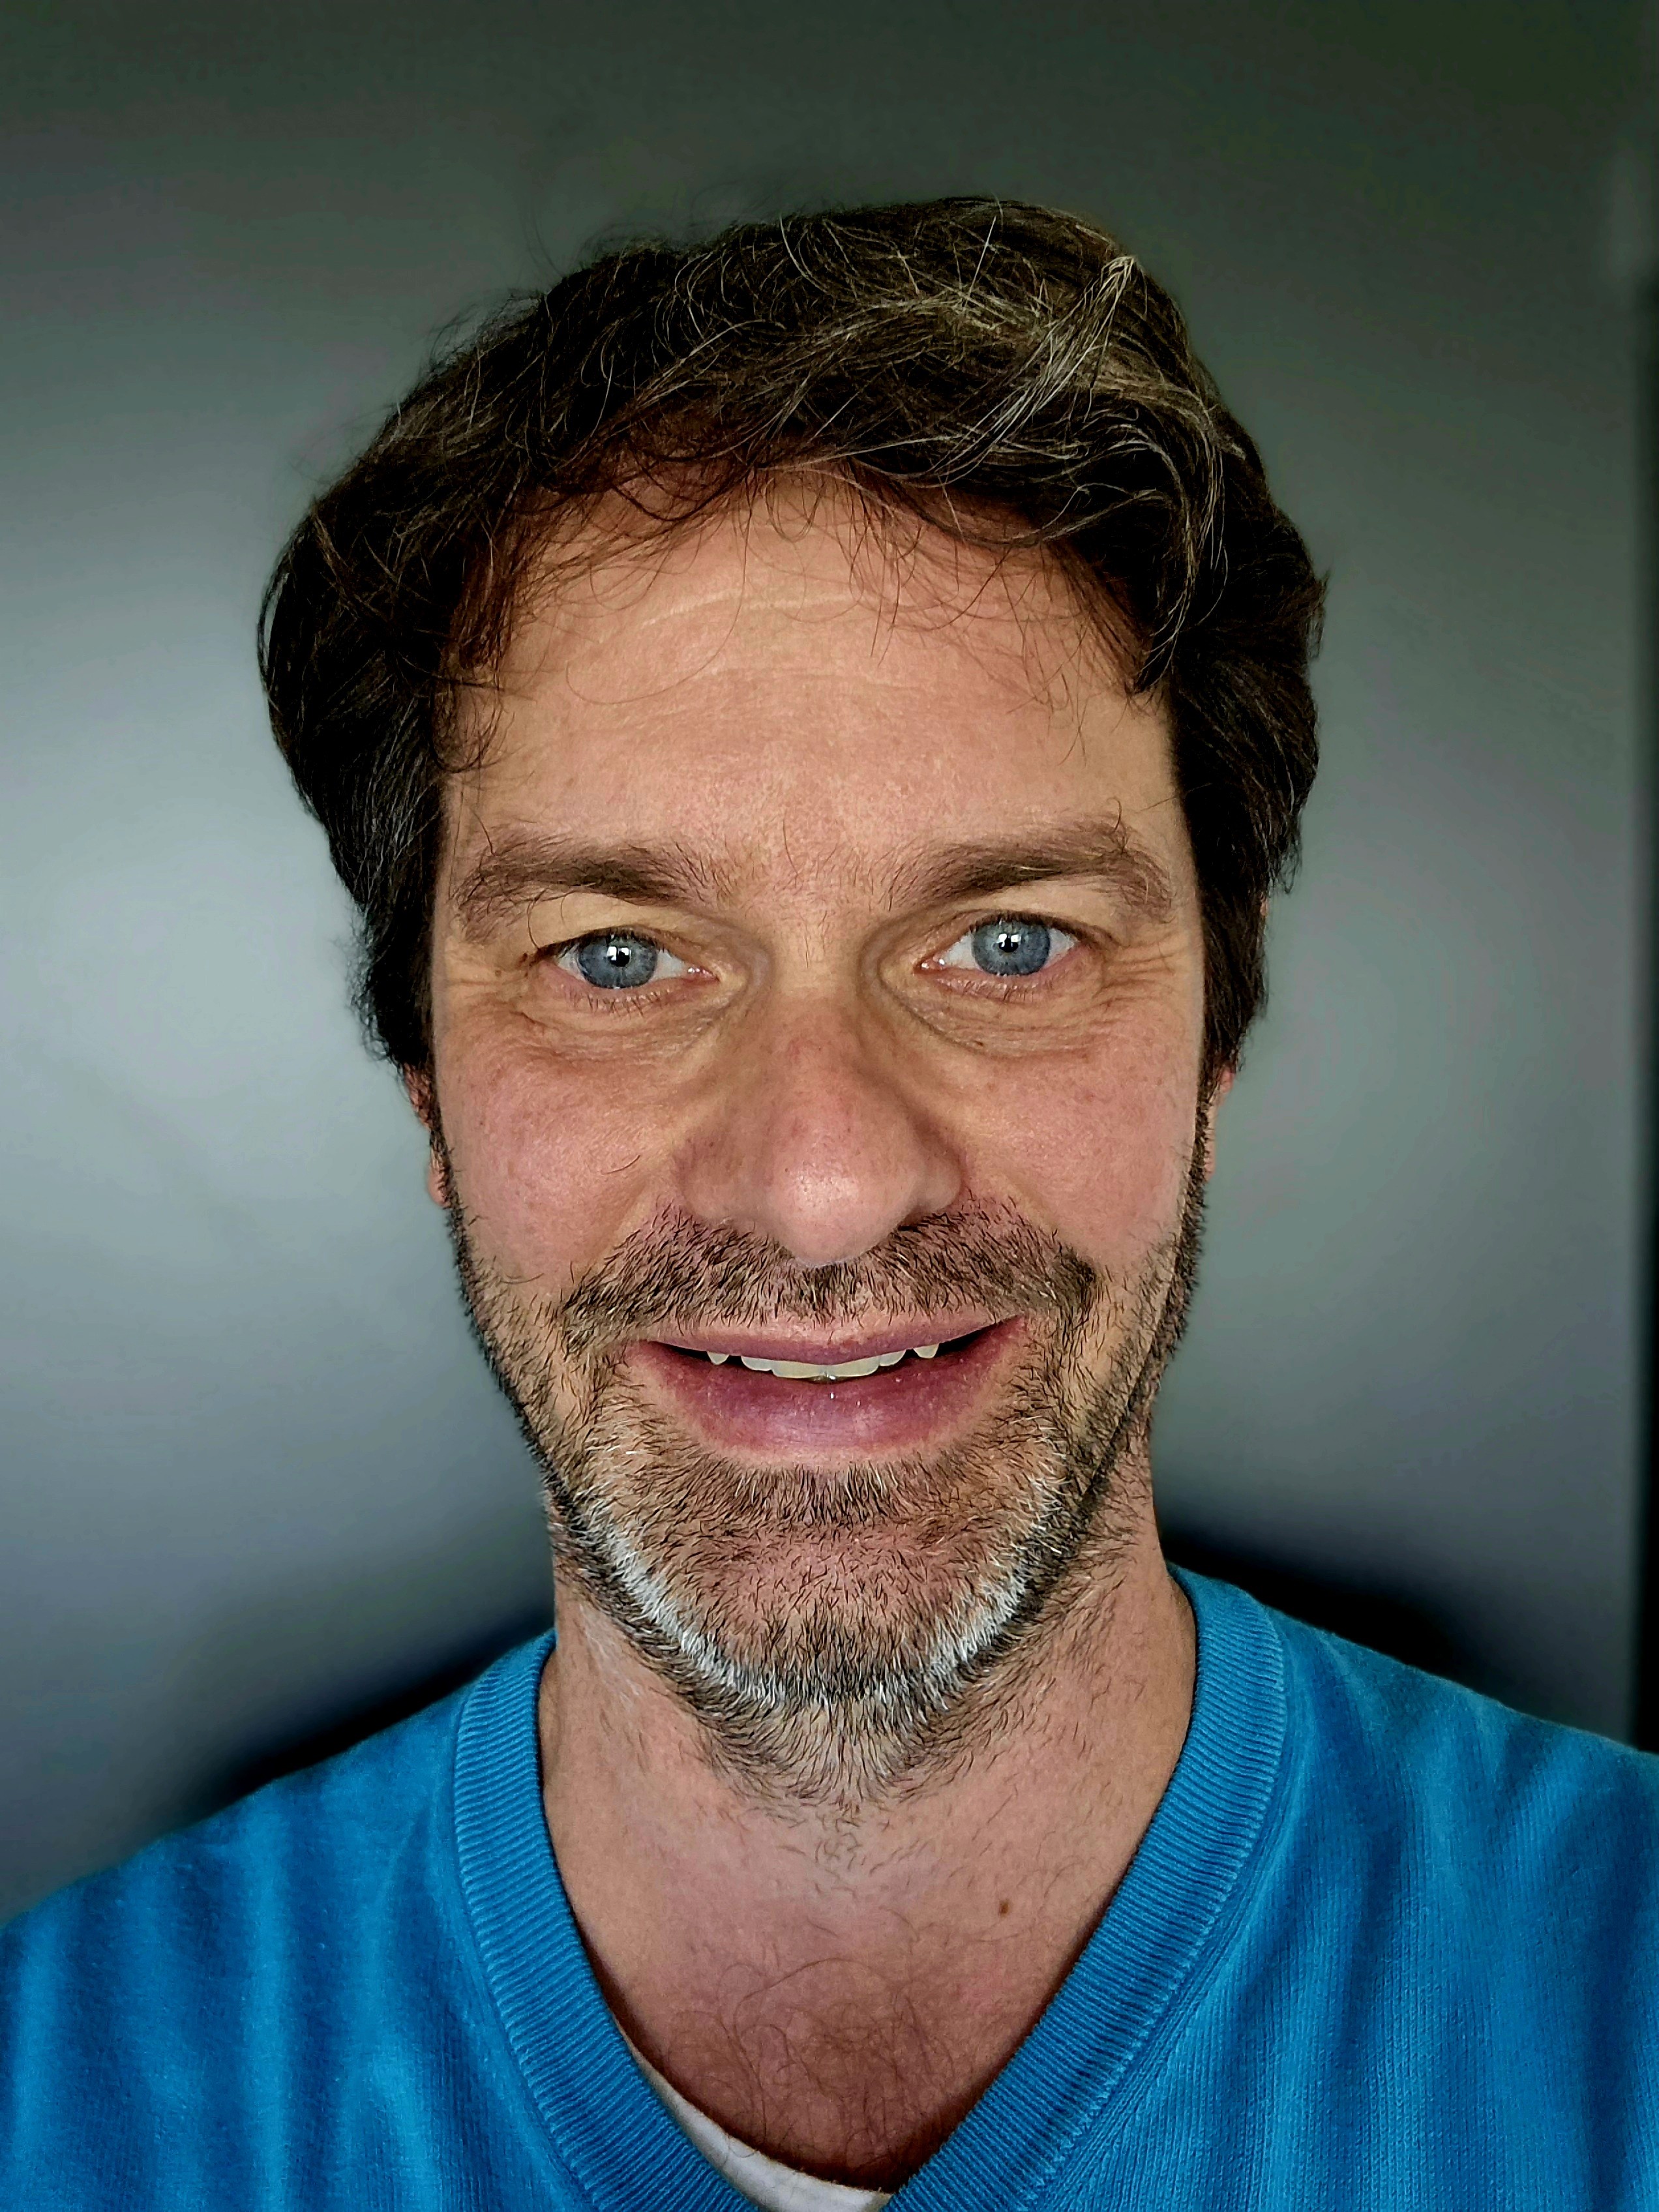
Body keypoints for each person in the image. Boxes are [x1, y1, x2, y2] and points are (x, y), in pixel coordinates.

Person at [3, 196, 1654, 2212]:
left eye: (1010, 942)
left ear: (1213, 1051)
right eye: (618, 957)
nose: (824, 1186)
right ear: (430, 1086)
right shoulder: (57, 2110)